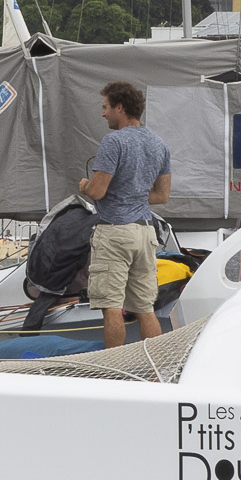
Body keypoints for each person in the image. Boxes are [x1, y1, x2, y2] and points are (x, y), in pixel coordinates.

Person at [79, 79, 172, 347]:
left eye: (106, 107)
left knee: (111, 306)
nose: (103, 113)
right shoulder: (159, 144)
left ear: (120, 108)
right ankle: (155, 373)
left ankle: (113, 375)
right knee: (145, 308)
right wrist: (134, 192)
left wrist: (85, 186)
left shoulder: (114, 141)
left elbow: (97, 191)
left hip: (115, 231)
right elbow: (162, 195)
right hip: (145, 232)